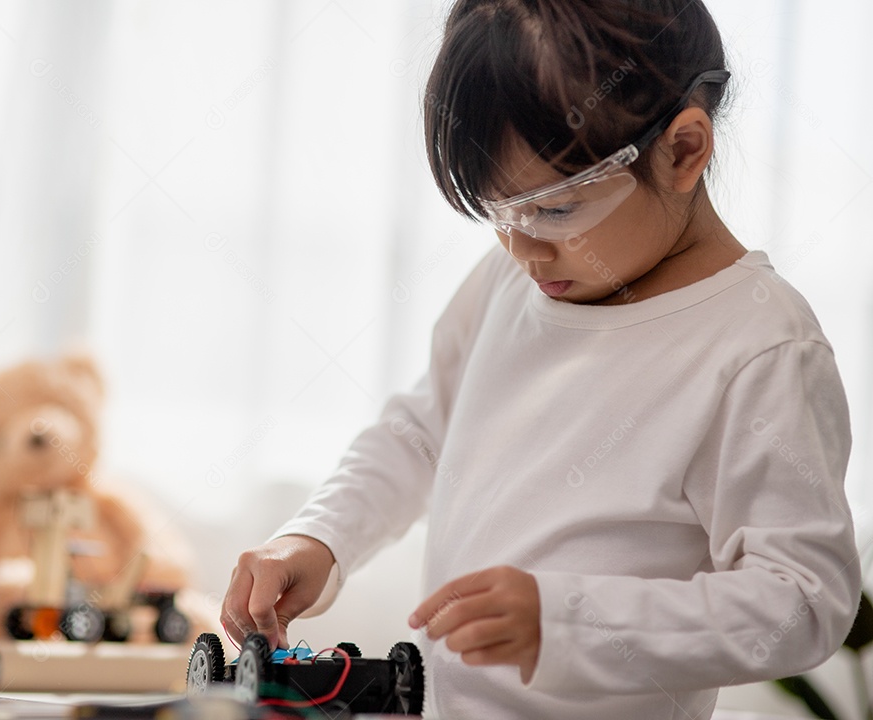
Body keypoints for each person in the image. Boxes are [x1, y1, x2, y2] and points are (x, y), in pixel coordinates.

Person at [220, 1, 861, 717]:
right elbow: (421, 431)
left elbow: (802, 600)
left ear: (683, 150)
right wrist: (320, 536)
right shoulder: (514, 279)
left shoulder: (760, 347)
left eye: (556, 210)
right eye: (499, 212)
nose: (522, 247)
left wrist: (570, 620)